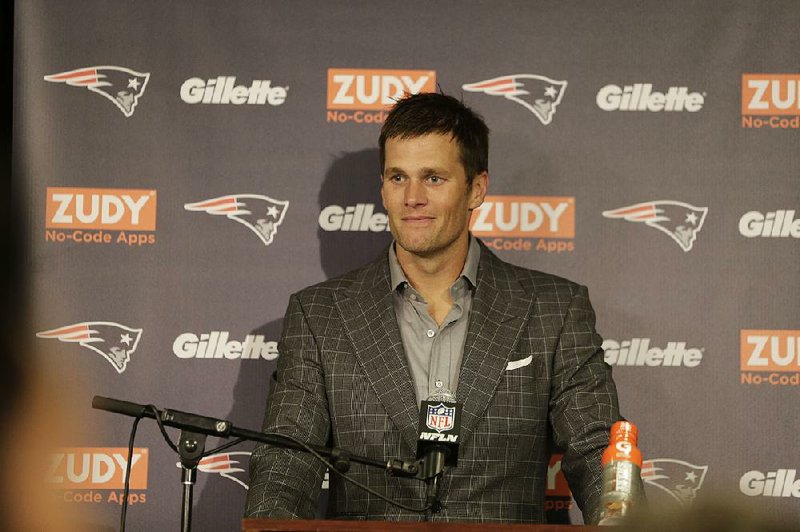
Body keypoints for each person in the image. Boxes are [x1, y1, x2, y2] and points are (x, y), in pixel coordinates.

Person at [245, 92, 621, 524]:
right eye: (398, 178)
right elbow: (287, 462)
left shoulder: (554, 309)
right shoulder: (320, 314)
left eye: (434, 179)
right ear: (383, 188)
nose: (412, 197)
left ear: (476, 189)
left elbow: (598, 451)